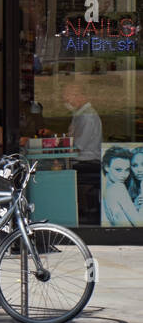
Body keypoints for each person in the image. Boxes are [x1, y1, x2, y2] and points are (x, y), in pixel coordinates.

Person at [63, 80, 103, 224]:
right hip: (81, 159)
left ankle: (73, 213)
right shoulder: (80, 114)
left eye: (68, 95)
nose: (65, 99)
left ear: (80, 96)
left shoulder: (87, 116)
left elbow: (78, 146)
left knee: (60, 173)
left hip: (88, 161)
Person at [101, 146, 142, 227]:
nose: (124, 175)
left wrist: (134, 207)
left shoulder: (107, 191)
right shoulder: (118, 187)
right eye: (118, 170)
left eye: (127, 170)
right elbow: (140, 224)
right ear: (106, 167)